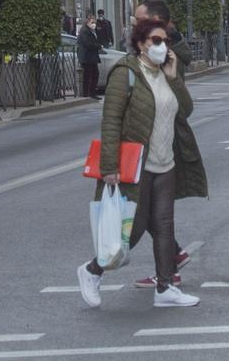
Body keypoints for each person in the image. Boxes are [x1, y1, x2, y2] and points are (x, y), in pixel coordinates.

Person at [77, 17, 207, 309]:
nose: (163, 47)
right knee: (133, 229)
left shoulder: (165, 73)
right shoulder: (126, 73)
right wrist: (109, 167)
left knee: (164, 226)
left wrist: (174, 78)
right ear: (140, 44)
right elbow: (110, 121)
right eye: (156, 41)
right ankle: (92, 270)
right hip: (137, 164)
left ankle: (164, 288)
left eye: (166, 42)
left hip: (165, 162)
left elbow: (184, 110)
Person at [78, 15, 105, 99]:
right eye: (92, 22)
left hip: (91, 57)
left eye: (95, 22)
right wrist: (98, 46)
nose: (94, 24)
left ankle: (91, 93)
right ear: (87, 22)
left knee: (93, 75)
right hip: (87, 57)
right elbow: (88, 44)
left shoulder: (91, 31)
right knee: (89, 76)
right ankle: (88, 94)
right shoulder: (85, 31)